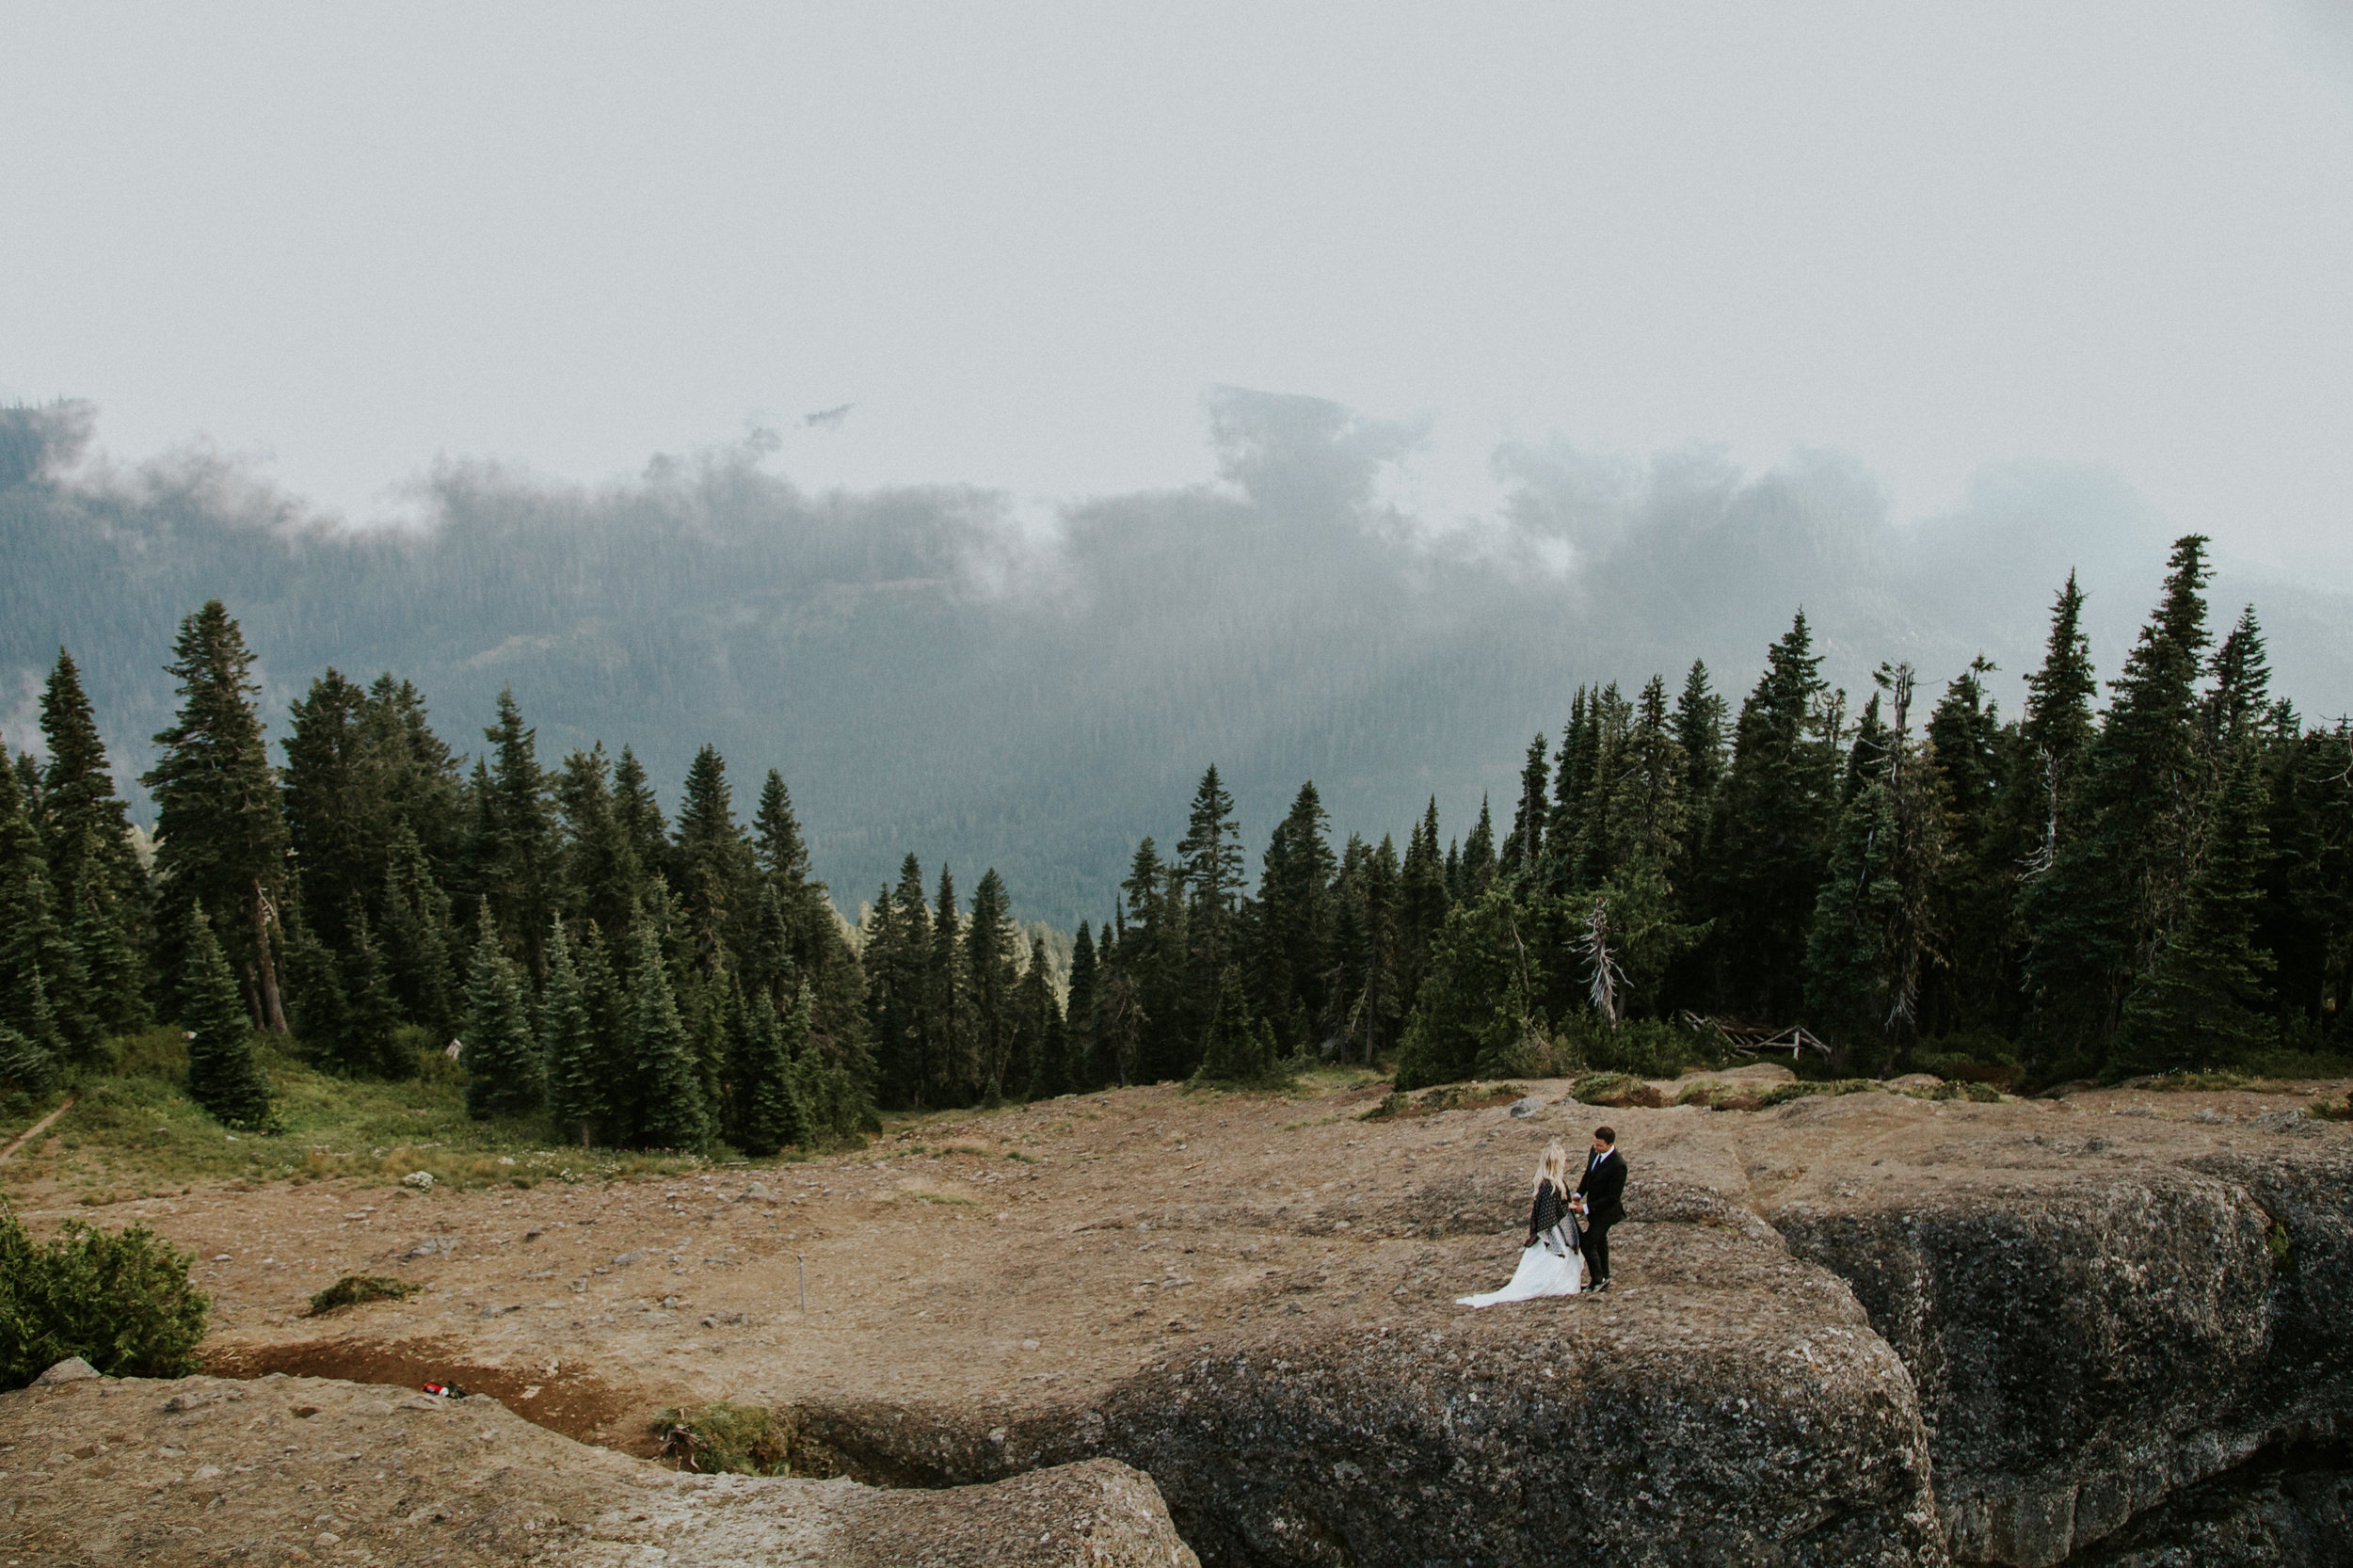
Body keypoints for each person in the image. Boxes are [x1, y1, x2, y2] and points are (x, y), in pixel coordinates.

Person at [1455, 1140, 1582, 1307]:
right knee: (1553, 1266)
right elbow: (1550, 1218)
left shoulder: (1547, 1184)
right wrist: (1560, 1240)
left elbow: (1553, 1211)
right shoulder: (1552, 1186)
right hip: (1553, 1236)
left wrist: (1567, 1206)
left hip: (1551, 1234)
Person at [1571, 1126, 1626, 1293]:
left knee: (1588, 1243)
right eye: (1594, 1144)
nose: (1595, 1148)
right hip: (1594, 1209)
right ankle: (1605, 1277)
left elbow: (1612, 1197)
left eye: (1599, 1146)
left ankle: (1597, 1279)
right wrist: (1579, 1194)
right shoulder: (1594, 1152)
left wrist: (1585, 1208)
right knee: (1600, 1242)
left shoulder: (1619, 1165)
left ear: (1610, 1145)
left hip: (1607, 1212)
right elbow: (1588, 1174)